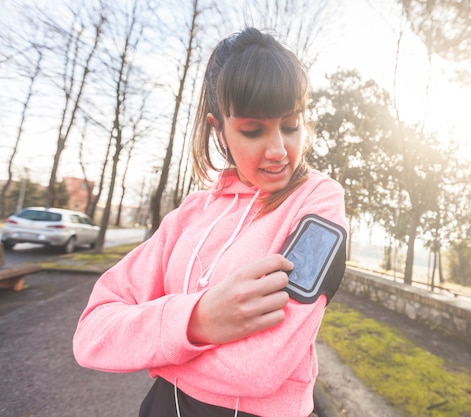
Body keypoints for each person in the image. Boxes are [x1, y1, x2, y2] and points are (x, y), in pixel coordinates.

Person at [73, 27, 347, 417]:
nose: (278, 151)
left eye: (290, 125)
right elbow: (91, 333)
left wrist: (155, 349)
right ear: (218, 129)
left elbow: (260, 368)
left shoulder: (318, 202)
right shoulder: (189, 215)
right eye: (253, 130)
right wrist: (197, 321)